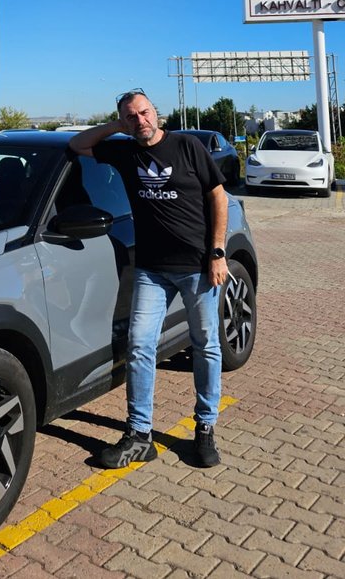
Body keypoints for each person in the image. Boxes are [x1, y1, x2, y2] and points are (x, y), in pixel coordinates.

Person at [69, 89, 228, 469]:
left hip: (197, 267)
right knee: (140, 346)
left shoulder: (188, 147)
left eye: (144, 112)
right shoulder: (124, 152)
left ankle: (205, 427)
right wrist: (116, 126)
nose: (140, 120)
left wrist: (217, 252)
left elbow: (218, 197)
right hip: (151, 271)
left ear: (156, 112)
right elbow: (77, 144)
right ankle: (140, 435)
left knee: (206, 346)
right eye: (131, 116)